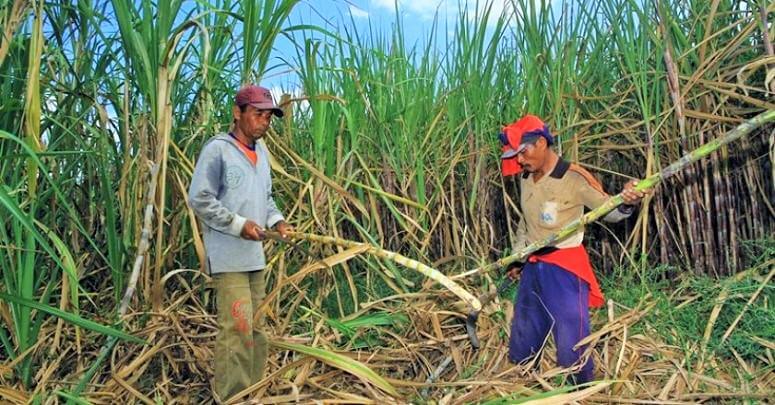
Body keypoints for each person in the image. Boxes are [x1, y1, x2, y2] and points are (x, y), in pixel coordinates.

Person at [498, 115, 645, 385]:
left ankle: (578, 388)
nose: (519, 160)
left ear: (541, 143)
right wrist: (517, 258)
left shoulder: (573, 179)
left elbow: (608, 211)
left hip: (565, 267)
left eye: (523, 152)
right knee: (525, 328)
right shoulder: (526, 177)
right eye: (515, 155)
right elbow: (525, 222)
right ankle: (524, 382)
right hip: (533, 265)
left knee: (571, 337)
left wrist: (626, 202)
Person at [188, 84, 292, 400]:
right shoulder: (217, 150)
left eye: (268, 116)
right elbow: (199, 199)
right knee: (236, 328)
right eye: (258, 114)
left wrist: (277, 221)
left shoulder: (261, 153)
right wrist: (238, 224)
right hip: (229, 256)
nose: (264, 122)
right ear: (238, 113)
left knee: (257, 327)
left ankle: (253, 391)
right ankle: (231, 396)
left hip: (254, 257)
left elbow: (266, 198)